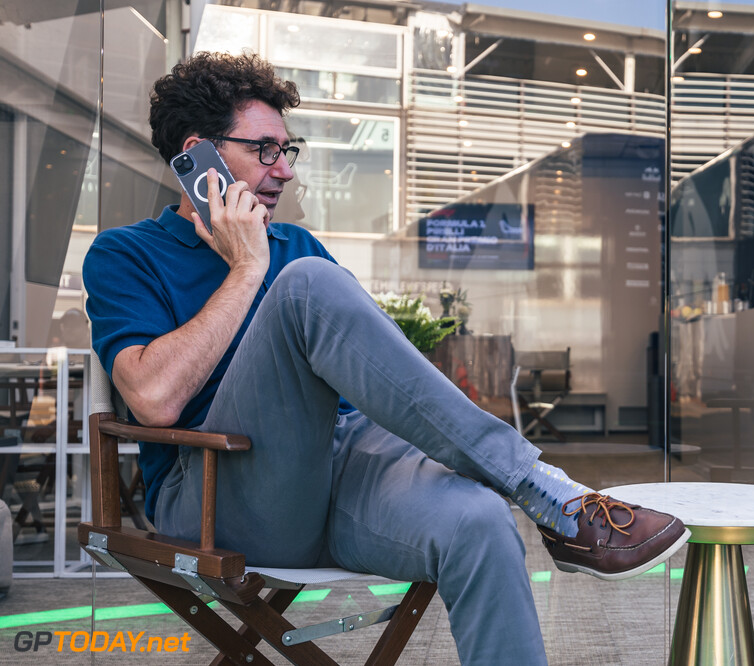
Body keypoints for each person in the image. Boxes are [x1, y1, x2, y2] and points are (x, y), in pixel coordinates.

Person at [82, 52, 688, 665]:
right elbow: (153, 400)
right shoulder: (127, 254)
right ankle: (543, 488)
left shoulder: (297, 244)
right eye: (265, 150)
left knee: (478, 521)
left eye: (287, 152)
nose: (283, 172)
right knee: (307, 283)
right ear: (199, 157)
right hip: (218, 496)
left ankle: (536, 493)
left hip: (343, 470)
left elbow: (370, 377)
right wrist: (247, 267)